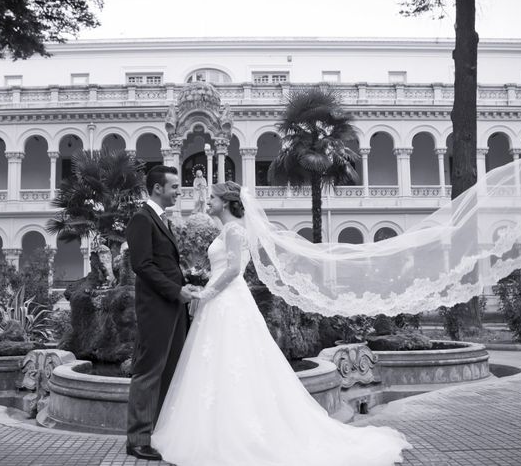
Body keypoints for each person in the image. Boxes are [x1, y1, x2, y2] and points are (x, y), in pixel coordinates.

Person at [151, 181, 412, 466]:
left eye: (212, 198)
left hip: (227, 300)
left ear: (225, 202)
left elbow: (235, 270)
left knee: (231, 360)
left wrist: (206, 293)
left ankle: (237, 434)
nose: (207, 202)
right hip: (220, 302)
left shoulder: (235, 230)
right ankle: (216, 428)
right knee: (218, 363)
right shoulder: (227, 230)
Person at [124, 165, 195, 461]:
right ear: (157, 189)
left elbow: (164, 263)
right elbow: (142, 265)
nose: (179, 191)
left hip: (173, 306)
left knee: (171, 370)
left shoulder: (162, 220)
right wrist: (174, 290)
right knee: (149, 370)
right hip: (156, 308)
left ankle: (160, 432)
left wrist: (185, 280)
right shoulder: (142, 219)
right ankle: (138, 438)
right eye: (175, 187)